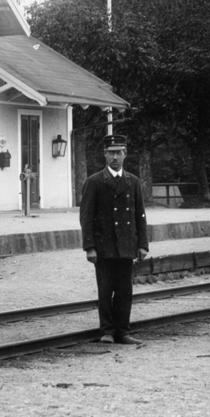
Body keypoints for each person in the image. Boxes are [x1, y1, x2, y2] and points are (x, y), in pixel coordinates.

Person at [79, 133, 149, 345]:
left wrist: (142, 244)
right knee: (105, 290)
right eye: (111, 153)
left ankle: (123, 331)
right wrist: (90, 247)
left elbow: (140, 215)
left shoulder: (133, 182)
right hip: (104, 247)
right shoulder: (94, 182)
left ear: (125, 154)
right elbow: (86, 217)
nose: (115, 157)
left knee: (125, 292)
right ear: (104, 154)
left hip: (127, 245)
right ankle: (107, 331)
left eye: (119, 152)